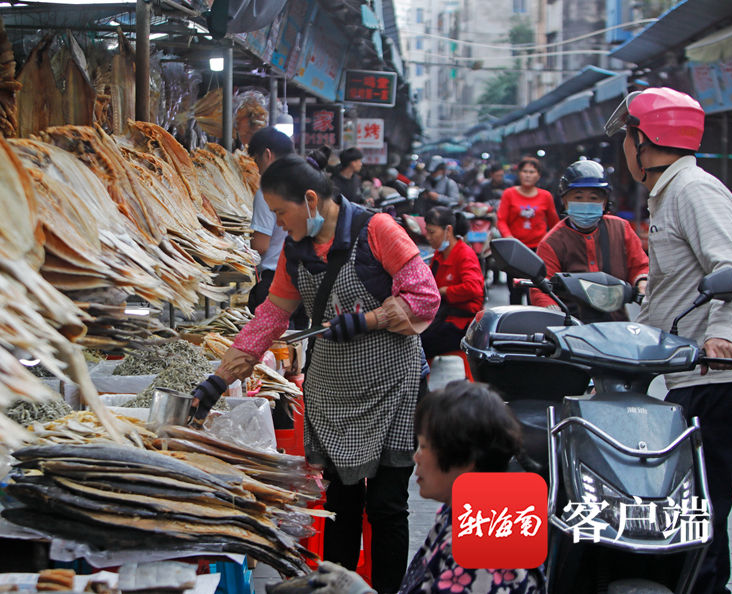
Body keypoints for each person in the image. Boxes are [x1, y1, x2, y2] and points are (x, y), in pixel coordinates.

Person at [190, 153, 440, 593]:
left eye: (282, 214)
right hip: (333, 390)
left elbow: (424, 295)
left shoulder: (377, 230)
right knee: (342, 502)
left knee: (385, 505)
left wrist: (370, 320)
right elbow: (272, 316)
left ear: (310, 200)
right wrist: (219, 378)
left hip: (392, 386)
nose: (280, 224)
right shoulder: (295, 250)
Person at [606, 86, 732, 594]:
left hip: (716, 375)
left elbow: (731, 269)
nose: (624, 148)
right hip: (688, 373)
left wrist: (721, 337)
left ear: (646, 139)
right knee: (690, 500)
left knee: (705, 501)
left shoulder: (694, 191)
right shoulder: (668, 192)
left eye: (627, 136)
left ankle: (707, 589)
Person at [309, 381, 545, 594]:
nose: (416, 457)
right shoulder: (467, 506)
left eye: (424, 446)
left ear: (464, 458)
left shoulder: (487, 548)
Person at [529, 160, 648, 322]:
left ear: (605, 202)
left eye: (593, 198)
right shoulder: (552, 242)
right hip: (571, 327)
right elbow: (541, 288)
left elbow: (640, 266)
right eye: (578, 197)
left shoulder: (621, 228)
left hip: (617, 326)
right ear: (564, 200)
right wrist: (554, 311)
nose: (586, 203)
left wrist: (642, 283)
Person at [420, 207, 484, 358]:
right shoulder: (439, 254)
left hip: (462, 323)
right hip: (442, 316)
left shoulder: (465, 254)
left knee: (420, 343)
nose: (428, 237)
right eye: (427, 232)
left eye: (432, 232)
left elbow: (473, 288)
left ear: (448, 230)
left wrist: (445, 291)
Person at [496, 157, 559, 304]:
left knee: (536, 290)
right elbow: (501, 220)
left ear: (538, 175)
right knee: (515, 290)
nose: (528, 175)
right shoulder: (509, 194)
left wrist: (549, 244)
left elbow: (554, 224)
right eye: (525, 171)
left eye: (532, 172)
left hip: (538, 251)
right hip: (515, 250)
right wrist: (509, 238)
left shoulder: (546, 196)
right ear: (519, 173)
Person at [246, 127, 294, 314]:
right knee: (296, 339)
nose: (257, 169)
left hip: (276, 283)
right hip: (303, 281)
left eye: (257, 160)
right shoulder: (305, 182)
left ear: (267, 155)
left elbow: (261, 245)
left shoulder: (268, 190)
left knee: (272, 341)